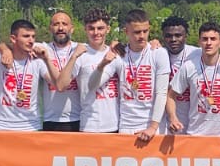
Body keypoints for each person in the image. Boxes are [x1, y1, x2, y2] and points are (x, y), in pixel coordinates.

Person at [0, 18, 74, 132]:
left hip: (31, 126)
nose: (31, 40)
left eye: (33, 36)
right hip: (2, 126)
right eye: (26, 36)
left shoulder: (37, 60)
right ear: (13, 38)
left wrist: (46, 60)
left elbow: (58, 85)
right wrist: (4, 49)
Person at [166, 22, 220, 138]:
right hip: (195, 134)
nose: (209, 43)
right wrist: (173, 118)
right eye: (205, 39)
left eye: (213, 39)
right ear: (199, 42)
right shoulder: (189, 66)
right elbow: (170, 95)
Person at [113, 9, 171, 142]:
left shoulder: (158, 53)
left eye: (145, 31)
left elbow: (162, 93)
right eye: (137, 32)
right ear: (126, 31)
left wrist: (153, 127)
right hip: (126, 126)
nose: (142, 36)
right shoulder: (119, 54)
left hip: (153, 127)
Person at [71, 8, 122, 134]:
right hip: (90, 125)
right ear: (85, 29)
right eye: (91, 28)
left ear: (108, 29)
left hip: (115, 124)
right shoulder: (80, 53)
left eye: (100, 28)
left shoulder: (117, 52)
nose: (96, 32)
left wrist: (154, 43)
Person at [41, 9, 85, 132]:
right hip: (50, 119)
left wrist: (115, 45)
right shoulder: (42, 49)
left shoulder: (81, 49)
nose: (60, 28)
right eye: (56, 24)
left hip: (76, 118)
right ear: (50, 28)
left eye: (64, 24)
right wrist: (4, 49)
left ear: (72, 28)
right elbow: (14, 44)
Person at [159, 16, 199, 135]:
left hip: (193, 122)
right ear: (163, 37)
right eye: (168, 36)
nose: (173, 39)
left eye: (178, 35)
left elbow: (218, 59)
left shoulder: (197, 53)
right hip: (165, 122)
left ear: (186, 36)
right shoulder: (157, 54)